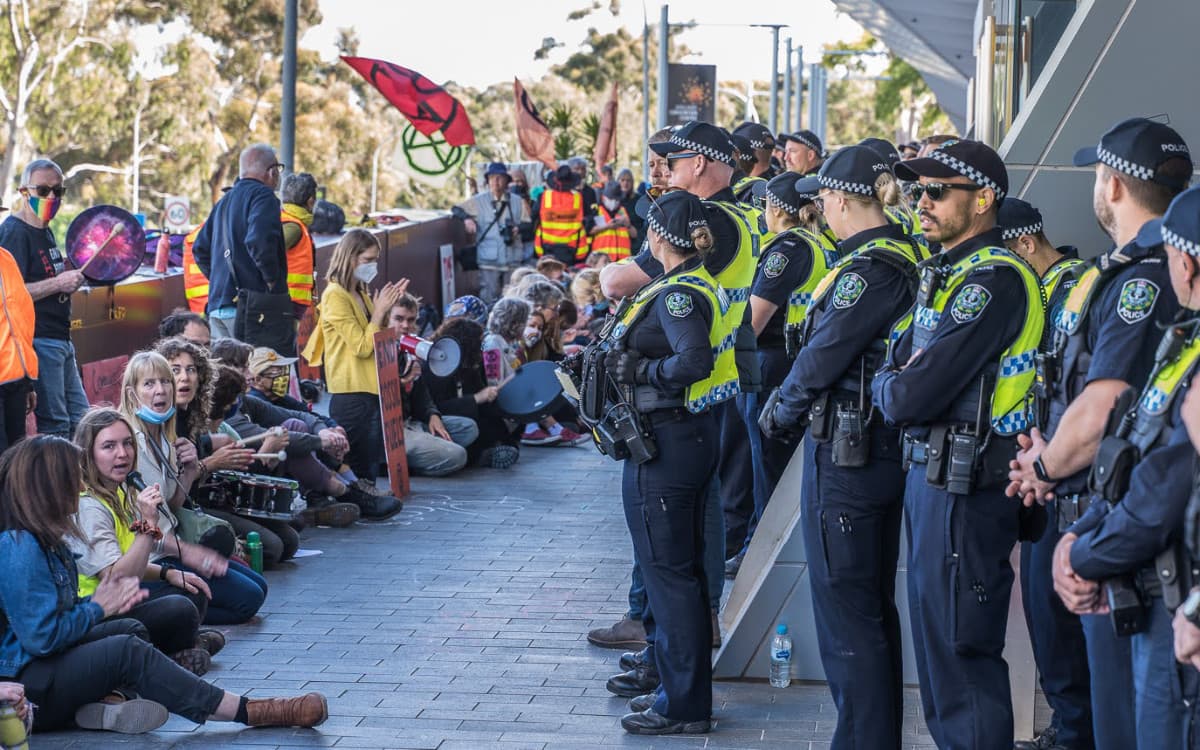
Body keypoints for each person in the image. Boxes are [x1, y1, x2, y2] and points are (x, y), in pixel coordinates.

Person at [1014, 120, 1192, 749]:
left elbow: (1104, 405)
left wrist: (1043, 468)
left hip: (1125, 527)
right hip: (1125, 515)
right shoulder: (1134, 268)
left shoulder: (1139, 280)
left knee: (1123, 718)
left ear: (1112, 184)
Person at [872, 139, 1044, 748]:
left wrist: (893, 385)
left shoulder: (992, 280)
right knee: (942, 650)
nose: (922, 202)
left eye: (938, 191)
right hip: (938, 476)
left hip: (967, 484)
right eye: (918, 191)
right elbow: (899, 363)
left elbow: (907, 394)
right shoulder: (948, 271)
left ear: (984, 199)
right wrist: (897, 380)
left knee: (961, 653)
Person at [759, 145, 928, 749]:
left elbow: (824, 352)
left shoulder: (871, 268)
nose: (820, 213)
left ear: (839, 200)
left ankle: (861, 740)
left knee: (847, 610)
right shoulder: (906, 252)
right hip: (873, 446)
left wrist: (778, 411)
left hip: (850, 453)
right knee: (868, 605)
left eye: (823, 201)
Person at [0, 436, 327, 734]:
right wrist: (99, 606)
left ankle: (99, 707)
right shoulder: (20, 546)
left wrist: (99, 607)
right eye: (73, 476)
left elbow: (58, 622)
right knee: (126, 651)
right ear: (49, 485)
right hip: (27, 683)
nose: (80, 484)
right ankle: (249, 711)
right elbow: (42, 638)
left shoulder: (48, 539)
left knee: (131, 629)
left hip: (42, 667)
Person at [580, 190, 738, 735]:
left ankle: (682, 702)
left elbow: (692, 359)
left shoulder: (677, 295)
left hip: (667, 443)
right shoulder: (691, 284)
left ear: (655, 237)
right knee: (682, 573)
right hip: (682, 439)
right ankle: (681, 690)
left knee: (669, 574)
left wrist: (641, 373)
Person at [599, 121, 754, 650]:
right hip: (715, 384)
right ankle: (689, 621)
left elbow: (620, 280)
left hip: (679, 392)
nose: (668, 171)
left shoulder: (702, 221)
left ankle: (655, 623)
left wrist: (642, 372)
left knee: (667, 526)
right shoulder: (742, 217)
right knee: (697, 513)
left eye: (677, 160)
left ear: (703, 163)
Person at [993, 196, 1089, 750]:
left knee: (1052, 604)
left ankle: (1077, 729)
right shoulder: (1049, 285)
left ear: (1026, 244)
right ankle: (1072, 723)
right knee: (1040, 600)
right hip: (1037, 462)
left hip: (1061, 469)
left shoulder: (1074, 288)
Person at [724, 171, 838, 578]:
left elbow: (752, 321)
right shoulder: (823, 243)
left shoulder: (785, 250)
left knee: (765, 468)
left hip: (769, 365)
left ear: (775, 208)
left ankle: (760, 552)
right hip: (797, 363)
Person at [69, 407, 221, 675]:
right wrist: (148, 526)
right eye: (109, 446)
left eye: (127, 443)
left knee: (190, 590)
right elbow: (115, 577)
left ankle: (179, 650)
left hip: (126, 597)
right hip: (98, 611)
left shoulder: (119, 491)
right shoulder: (90, 507)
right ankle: (171, 657)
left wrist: (167, 572)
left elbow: (125, 558)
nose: (123, 453)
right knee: (180, 609)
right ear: (88, 454)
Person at [120, 351, 268, 625]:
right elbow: (132, 528)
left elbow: (172, 504)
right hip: (154, 558)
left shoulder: (165, 437)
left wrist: (188, 471)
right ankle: (160, 610)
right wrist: (188, 553)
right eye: (149, 384)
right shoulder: (130, 445)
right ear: (132, 393)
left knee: (258, 585)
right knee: (248, 599)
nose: (161, 390)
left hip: (171, 546)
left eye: (165, 382)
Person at [302, 229, 406, 519]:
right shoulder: (336, 295)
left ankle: (368, 493)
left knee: (368, 453)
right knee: (351, 456)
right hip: (350, 387)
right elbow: (362, 346)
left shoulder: (358, 291)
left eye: (376, 259)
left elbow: (377, 335)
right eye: (368, 259)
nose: (373, 265)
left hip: (371, 385)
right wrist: (380, 310)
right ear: (350, 258)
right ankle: (354, 500)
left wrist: (384, 310)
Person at [0, 159, 87, 438]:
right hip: (40, 341)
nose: (51, 197)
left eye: (58, 191)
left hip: (60, 338)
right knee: (57, 426)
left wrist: (66, 279)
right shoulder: (14, 232)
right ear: (24, 192)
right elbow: (10, 296)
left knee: (84, 420)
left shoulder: (45, 229)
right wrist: (58, 283)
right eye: (43, 190)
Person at [192, 144, 292, 354]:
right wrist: (272, 280)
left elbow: (200, 248)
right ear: (272, 171)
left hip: (218, 307)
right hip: (251, 311)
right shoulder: (264, 197)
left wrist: (222, 279)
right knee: (257, 375)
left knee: (228, 378)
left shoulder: (224, 201)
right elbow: (258, 241)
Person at [386, 295, 479, 476]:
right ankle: (404, 465)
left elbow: (422, 395)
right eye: (398, 319)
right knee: (458, 455)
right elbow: (379, 400)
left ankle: (426, 448)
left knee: (468, 428)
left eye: (411, 320)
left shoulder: (410, 349)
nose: (405, 325)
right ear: (386, 318)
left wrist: (432, 415)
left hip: (412, 422)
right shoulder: (380, 350)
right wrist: (401, 382)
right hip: (393, 429)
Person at [423, 317, 521, 469]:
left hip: (465, 415)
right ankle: (480, 456)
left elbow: (480, 397)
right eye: (478, 343)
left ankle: (499, 445)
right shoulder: (435, 368)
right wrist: (476, 398)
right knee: (472, 426)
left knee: (492, 415)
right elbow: (438, 407)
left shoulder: (468, 366)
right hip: (441, 423)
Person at [454, 162, 532, 305]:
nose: (495, 182)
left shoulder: (517, 201)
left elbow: (529, 226)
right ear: (488, 180)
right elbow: (456, 209)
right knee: (488, 297)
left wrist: (517, 229)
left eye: (499, 178)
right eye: (492, 178)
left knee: (512, 298)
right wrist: (467, 219)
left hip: (512, 258)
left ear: (506, 181)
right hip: (489, 259)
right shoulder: (479, 201)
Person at [0, 233, 36, 454]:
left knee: (16, 459)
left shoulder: (6, 258)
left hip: (15, 381)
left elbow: (20, 320)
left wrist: (27, 382)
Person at [280, 171, 319, 319]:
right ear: (310, 201)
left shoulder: (288, 220)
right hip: (290, 305)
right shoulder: (293, 227)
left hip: (290, 304)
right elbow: (266, 255)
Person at [535, 165, 589, 265]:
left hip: (546, 248)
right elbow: (588, 217)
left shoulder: (544, 196)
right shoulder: (578, 198)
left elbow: (534, 218)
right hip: (573, 249)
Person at [589, 181, 636, 262]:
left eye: (616, 199)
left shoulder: (623, 211)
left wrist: (628, 225)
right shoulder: (596, 210)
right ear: (604, 197)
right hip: (601, 260)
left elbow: (634, 235)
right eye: (611, 199)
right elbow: (589, 231)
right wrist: (608, 226)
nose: (614, 202)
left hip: (623, 261)